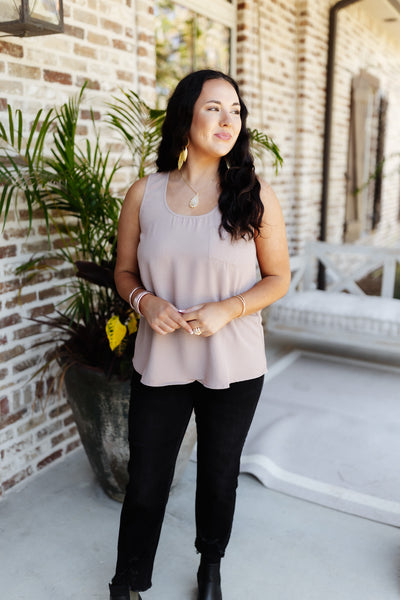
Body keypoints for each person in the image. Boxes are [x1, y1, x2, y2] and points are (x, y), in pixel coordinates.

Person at [109, 69, 291, 600]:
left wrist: (227, 309)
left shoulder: (255, 195)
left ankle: (210, 566)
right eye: (214, 107)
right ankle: (128, 579)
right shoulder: (143, 193)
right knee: (145, 478)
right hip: (162, 359)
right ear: (186, 115)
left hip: (232, 364)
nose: (228, 119)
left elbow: (279, 278)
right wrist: (145, 302)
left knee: (218, 475)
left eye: (235, 109)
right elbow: (124, 273)